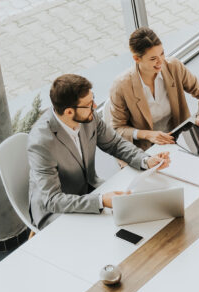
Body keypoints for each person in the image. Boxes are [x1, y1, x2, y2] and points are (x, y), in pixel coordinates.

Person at [27, 73, 169, 230]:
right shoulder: (41, 143)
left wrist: (145, 160)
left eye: (92, 98)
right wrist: (100, 201)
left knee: (138, 214)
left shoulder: (88, 116)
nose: (95, 106)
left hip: (88, 188)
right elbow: (53, 200)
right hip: (55, 210)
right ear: (69, 112)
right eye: (88, 104)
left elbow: (115, 144)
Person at [108, 28, 199, 150]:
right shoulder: (121, 86)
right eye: (153, 59)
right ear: (137, 59)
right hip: (147, 149)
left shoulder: (174, 66)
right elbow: (117, 129)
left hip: (181, 139)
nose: (161, 61)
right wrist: (147, 134)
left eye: (162, 53)